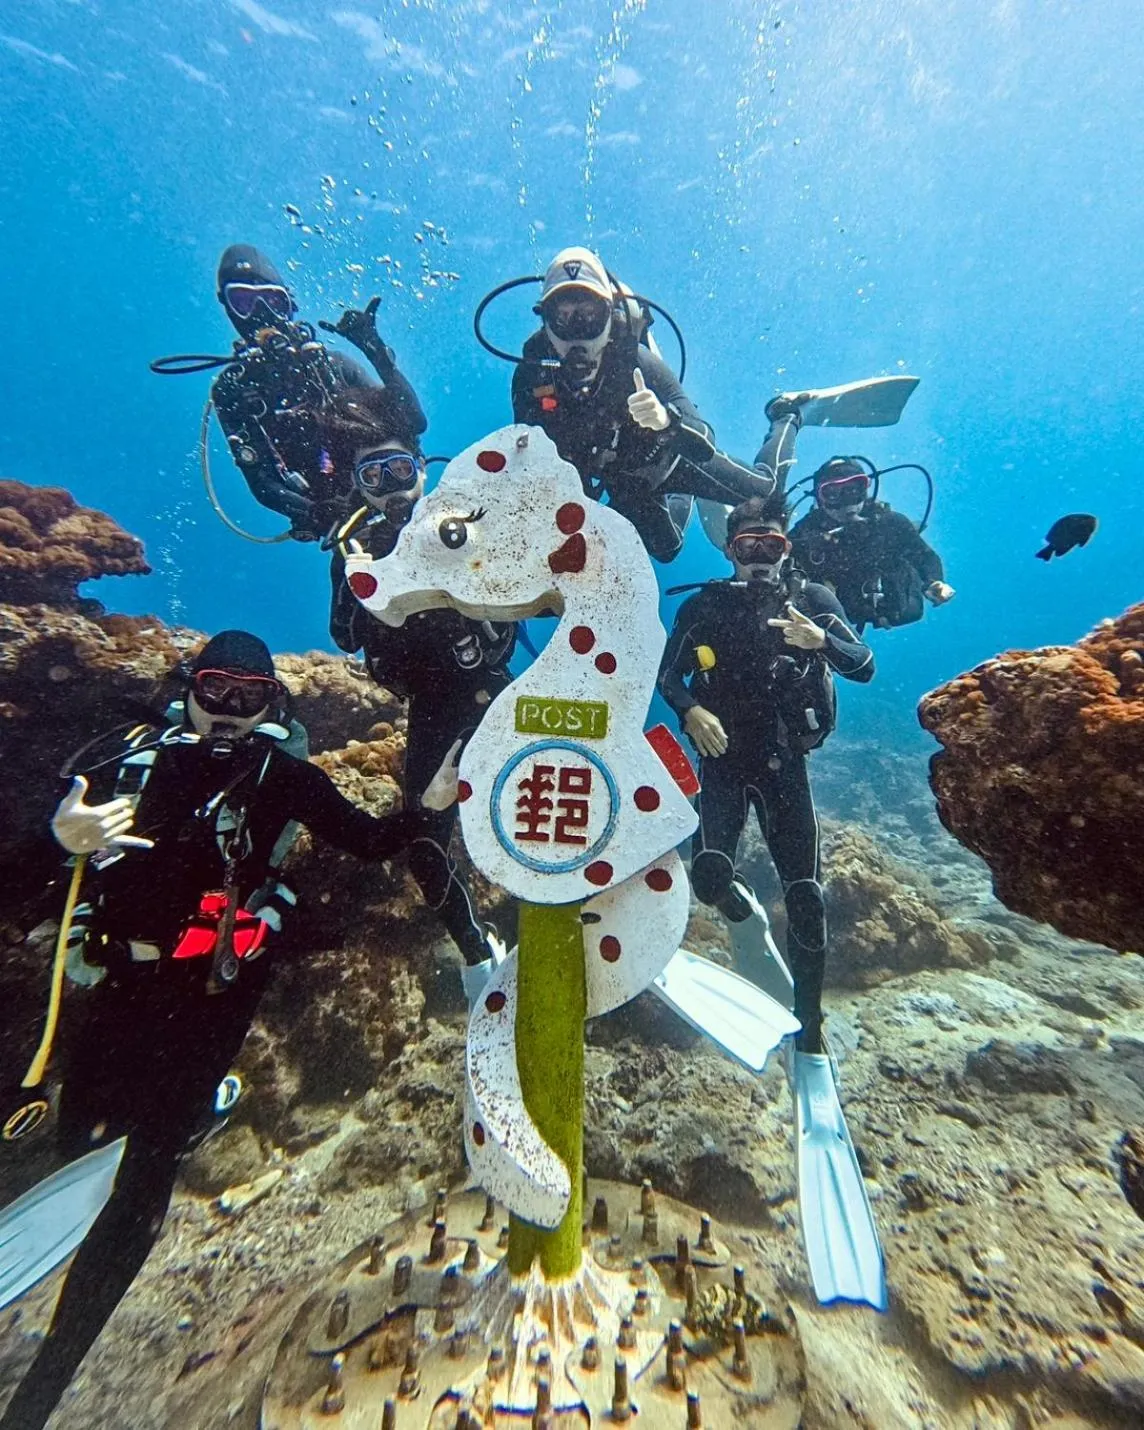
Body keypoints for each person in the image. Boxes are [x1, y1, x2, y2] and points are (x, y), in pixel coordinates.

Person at [0, 630, 438, 1430]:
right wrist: (57, 844)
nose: (230, 712)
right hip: (121, 987)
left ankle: (48, 1381)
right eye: (216, 691)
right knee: (83, 1145)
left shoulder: (283, 778)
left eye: (251, 697)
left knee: (146, 1177)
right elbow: (16, 885)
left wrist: (437, 804)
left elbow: (371, 842)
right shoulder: (122, 764)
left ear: (274, 705)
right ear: (188, 688)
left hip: (211, 998)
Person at [657, 496, 874, 1054]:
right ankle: (742, 911)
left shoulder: (813, 601)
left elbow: (865, 666)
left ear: (786, 548)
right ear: (731, 550)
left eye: (771, 546)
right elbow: (668, 677)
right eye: (749, 546)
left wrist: (821, 640)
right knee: (707, 878)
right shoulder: (705, 607)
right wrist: (690, 710)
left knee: (805, 896)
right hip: (723, 761)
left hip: (785, 766)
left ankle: (811, 1032)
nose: (760, 559)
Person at [322, 388, 512, 996]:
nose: (390, 488)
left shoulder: (465, 527)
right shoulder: (353, 549)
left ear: (422, 470)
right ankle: (478, 956)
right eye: (373, 477)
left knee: (560, 800)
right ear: (359, 487)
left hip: (492, 690)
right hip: (430, 706)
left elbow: (513, 617)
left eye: (400, 470)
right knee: (424, 846)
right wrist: (358, 578)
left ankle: (595, 922)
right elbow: (344, 635)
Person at [511, 246, 780, 562]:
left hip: (668, 457)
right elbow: (530, 461)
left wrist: (667, 421)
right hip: (625, 482)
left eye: (590, 317)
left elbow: (704, 441)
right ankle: (681, 498)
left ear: (610, 318)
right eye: (563, 318)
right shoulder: (531, 377)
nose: (577, 335)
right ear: (545, 324)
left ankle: (785, 418)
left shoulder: (635, 362)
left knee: (766, 493)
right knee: (667, 551)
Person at [210, 244, 426, 540]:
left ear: (290, 305)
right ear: (229, 309)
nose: (262, 314)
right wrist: (314, 511)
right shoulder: (232, 390)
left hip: (387, 489)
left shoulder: (331, 365)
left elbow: (410, 423)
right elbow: (262, 482)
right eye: (245, 302)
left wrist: (377, 353)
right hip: (339, 519)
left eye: (273, 301)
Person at [789, 458, 954, 632]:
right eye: (832, 493)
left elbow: (924, 555)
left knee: (907, 607)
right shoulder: (805, 534)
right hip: (843, 607)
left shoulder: (889, 523)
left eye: (853, 490)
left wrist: (934, 581)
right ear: (818, 497)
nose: (847, 502)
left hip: (891, 602)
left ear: (865, 489)